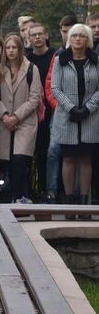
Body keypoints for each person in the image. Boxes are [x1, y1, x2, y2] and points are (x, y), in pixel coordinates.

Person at [50, 23, 99, 205]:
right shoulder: (59, 60)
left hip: (90, 118)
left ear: (88, 40)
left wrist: (87, 109)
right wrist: (71, 108)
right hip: (67, 117)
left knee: (86, 159)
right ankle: (70, 202)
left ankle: (84, 201)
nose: (78, 39)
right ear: (69, 38)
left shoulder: (96, 60)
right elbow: (55, 87)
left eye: (82, 36)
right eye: (74, 35)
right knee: (68, 158)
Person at [0, 32, 42, 204]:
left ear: (20, 49)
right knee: (5, 162)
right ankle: (7, 197)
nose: (11, 51)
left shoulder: (31, 68)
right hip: (4, 122)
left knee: (20, 160)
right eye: (8, 47)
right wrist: (5, 115)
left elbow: (35, 97)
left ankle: (22, 196)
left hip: (25, 122)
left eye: (14, 47)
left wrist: (16, 117)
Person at [26, 22, 58, 201]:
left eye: (40, 34)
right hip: (30, 112)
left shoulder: (56, 56)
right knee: (32, 153)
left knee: (49, 153)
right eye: (33, 35)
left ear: (46, 35)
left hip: (51, 112)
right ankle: (31, 191)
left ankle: (49, 190)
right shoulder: (26, 59)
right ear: (28, 38)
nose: (37, 37)